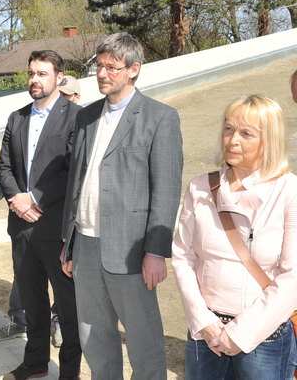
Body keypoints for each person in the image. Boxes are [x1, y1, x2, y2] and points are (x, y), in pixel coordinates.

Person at [61, 32, 183, 379]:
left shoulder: (160, 117)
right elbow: (75, 183)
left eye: (111, 67)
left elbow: (166, 190)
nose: (102, 74)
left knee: (143, 341)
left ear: (133, 69)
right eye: (99, 66)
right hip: (85, 245)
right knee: (94, 336)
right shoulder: (86, 117)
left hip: (131, 249)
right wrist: (69, 243)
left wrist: (155, 252)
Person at [172, 95, 297, 379]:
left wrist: (240, 334)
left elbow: (293, 276)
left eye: (246, 133)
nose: (232, 140)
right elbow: (182, 256)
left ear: (270, 139)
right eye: (228, 129)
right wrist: (202, 320)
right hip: (206, 334)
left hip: (263, 336)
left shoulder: (289, 191)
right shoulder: (200, 187)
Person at [0, 50, 82, 380]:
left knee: (68, 306)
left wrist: (33, 198)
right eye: (31, 73)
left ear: (59, 77)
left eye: (42, 73)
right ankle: (35, 362)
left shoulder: (76, 117)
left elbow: (74, 171)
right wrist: (18, 199)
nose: (34, 79)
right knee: (32, 300)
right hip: (21, 226)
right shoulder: (16, 118)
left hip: (56, 228)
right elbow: (4, 167)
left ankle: (69, 373)